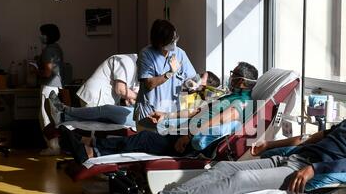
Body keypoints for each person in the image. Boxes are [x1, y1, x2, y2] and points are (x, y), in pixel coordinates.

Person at [112, 79, 346, 194]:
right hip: (290, 159)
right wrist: (271, 145)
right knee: (224, 169)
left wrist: (315, 169)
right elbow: (313, 138)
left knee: (236, 183)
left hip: (305, 175)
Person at [60, 62, 258, 164]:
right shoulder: (228, 97)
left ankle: (91, 151)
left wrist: (189, 136)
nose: (230, 78)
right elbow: (196, 111)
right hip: (184, 132)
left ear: (242, 82)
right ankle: (88, 145)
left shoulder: (243, 103)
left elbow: (220, 119)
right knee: (144, 135)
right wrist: (166, 115)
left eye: (234, 75)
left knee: (144, 139)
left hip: (191, 146)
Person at [47, 71, 220, 128]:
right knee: (105, 114)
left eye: (201, 78)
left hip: (154, 121)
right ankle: (63, 116)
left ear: (207, 87)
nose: (196, 77)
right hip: (150, 113)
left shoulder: (199, 102)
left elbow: (182, 114)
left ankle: (65, 111)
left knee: (107, 111)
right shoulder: (187, 89)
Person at [134, 19, 197, 126]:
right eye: (171, 40)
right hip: (150, 114)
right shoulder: (146, 54)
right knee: (147, 141)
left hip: (172, 113)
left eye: (175, 38)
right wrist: (170, 73)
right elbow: (149, 84)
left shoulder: (180, 53)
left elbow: (190, 77)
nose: (174, 43)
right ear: (160, 42)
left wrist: (191, 84)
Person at [38, 23, 65, 156]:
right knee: (55, 117)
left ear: (47, 35)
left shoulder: (48, 50)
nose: (40, 36)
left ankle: (53, 147)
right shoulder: (57, 48)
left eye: (42, 33)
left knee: (45, 118)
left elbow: (47, 73)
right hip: (57, 86)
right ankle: (56, 146)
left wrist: (36, 71)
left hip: (48, 86)